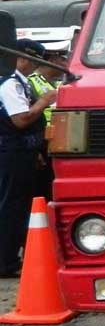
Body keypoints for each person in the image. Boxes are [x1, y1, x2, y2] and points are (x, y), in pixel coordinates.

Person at [0, 39, 56, 277]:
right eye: (32, 61)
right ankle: (6, 261)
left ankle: (17, 254)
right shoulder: (10, 85)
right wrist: (44, 101)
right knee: (11, 205)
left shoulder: (23, 84)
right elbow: (20, 120)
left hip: (25, 152)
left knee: (22, 204)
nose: (33, 66)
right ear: (21, 59)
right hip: (11, 153)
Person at [29, 49, 67, 200]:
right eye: (63, 59)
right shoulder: (31, 82)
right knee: (42, 187)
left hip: (58, 141)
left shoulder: (59, 83)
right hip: (42, 141)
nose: (66, 63)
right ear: (52, 60)